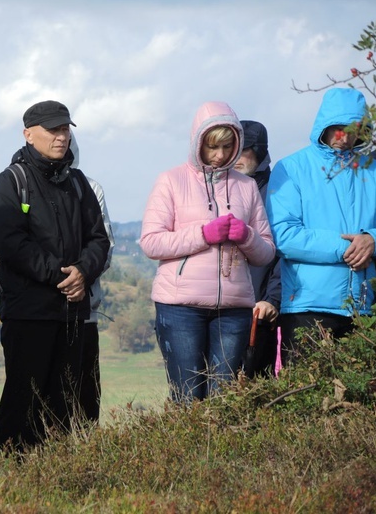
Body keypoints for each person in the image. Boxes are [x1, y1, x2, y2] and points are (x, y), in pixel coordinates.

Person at [0, 100, 109, 454]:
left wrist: (84, 271)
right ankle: (11, 476)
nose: (61, 136)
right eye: (52, 129)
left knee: (70, 403)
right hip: (28, 313)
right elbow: (10, 244)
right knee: (24, 402)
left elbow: (99, 238)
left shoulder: (78, 182)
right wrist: (62, 276)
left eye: (65, 129)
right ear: (28, 134)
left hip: (72, 314)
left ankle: (63, 479)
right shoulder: (10, 182)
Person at [139, 102, 275, 403]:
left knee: (224, 401)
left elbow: (265, 253)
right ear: (197, 142)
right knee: (188, 398)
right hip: (179, 307)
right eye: (212, 146)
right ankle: (185, 452)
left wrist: (246, 235)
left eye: (228, 146)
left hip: (234, 309)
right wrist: (203, 234)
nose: (221, 155)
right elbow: (150, 242)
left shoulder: (247, 187)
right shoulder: (170, 181)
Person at [266, 87, 376, 363]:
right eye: (337, 127)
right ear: (324, 125)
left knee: (359, 402)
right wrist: (350, 247)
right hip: (307, 306)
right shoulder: (291, 168)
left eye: (353, 128)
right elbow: (283, 235)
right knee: (305, 401)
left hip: (363, 309)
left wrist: (373, 241)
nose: (343, 136)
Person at [70, 134, 115, 423]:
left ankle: (87, 467)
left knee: (86, 406)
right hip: (38, 315)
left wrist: (81, 275)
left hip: (84, 313)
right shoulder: (20, 184)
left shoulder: (89, 188)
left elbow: (104, 246)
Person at [234, 120, 281, 377]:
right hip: (222, 309)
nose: (236, 157)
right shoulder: (221, 187)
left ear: (260, 152)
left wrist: (272, 299)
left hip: (261, 312)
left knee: (257, 389)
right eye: (232, 148)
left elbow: (284, 253)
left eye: (244, 150)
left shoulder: (278, 192)